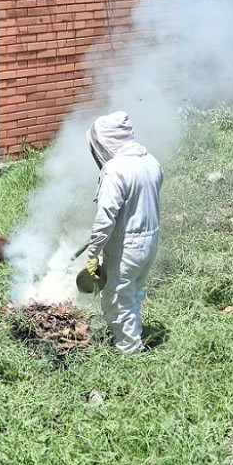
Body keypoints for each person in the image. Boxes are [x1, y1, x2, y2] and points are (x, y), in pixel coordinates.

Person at [84, 111, 163, 353]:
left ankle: (130, 354)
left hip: (126, 247)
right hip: (150, 243)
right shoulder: (151, 161)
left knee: (117, 299)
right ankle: (132, 335)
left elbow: (106, 217)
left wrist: (92, 253)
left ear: (106, 141)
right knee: (133, 291)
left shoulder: (115, 170)